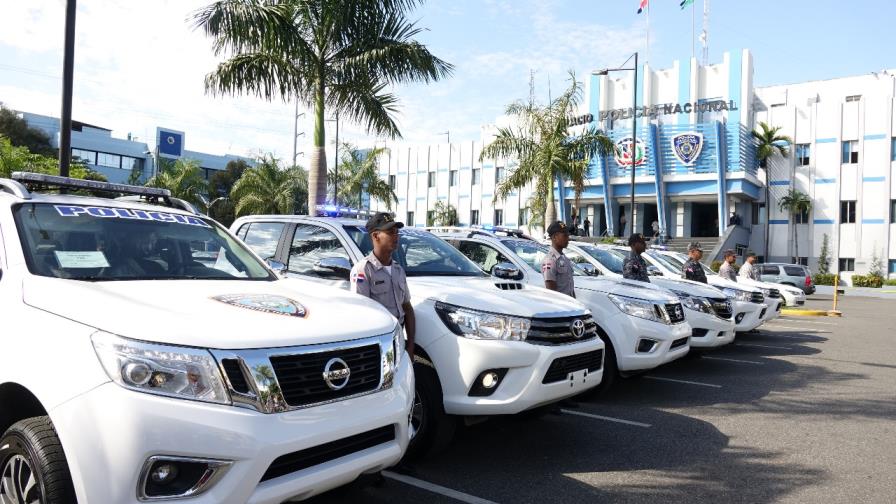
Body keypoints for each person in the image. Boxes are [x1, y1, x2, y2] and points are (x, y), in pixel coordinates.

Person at [350, 212, 415, 359]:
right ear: (375, 236)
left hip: (399, 339)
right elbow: (361, 315)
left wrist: (411, 344)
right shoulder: (363, 270)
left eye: (397, 232)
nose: (396, 236)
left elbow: (407, 308)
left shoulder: (398, 270)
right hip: (378, 343)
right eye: (390, 232)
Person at [541, 221, 575, 298]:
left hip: (570, 304)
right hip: (561, 305)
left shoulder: (564, 258)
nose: (568, 239)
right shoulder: (549, 260)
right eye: (565, 235)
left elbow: (570, 287)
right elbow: (551, 291)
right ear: (554, 237)